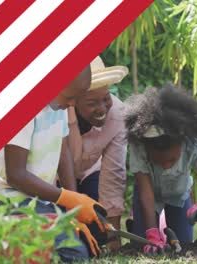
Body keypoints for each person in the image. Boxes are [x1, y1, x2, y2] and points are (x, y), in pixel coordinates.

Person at [0, 64, 107, 262]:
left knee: (90, 240)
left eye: (76, 98)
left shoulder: (59, 104)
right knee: (72, 253)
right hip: (4, 202)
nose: (72, 104)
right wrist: (68, 200)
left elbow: (63, 154)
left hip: (38, 202)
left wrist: (75, 210)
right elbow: (15, 175)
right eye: (69, 97)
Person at [125, 85, 197, 255]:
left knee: (182, 245)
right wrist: (151, 235)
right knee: (142, 244)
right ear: (147, 150)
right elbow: (146, 195)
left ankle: (159, 225)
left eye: (172, 160)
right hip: (148, 199)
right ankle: (147, 224)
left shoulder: (191, 146)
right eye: (158, 161)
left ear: (182, 144)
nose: (166, 165)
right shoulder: (139, 147)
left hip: (179, 198)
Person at [66, 56, 128, 252]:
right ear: (74, 101)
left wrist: (113, 235)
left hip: (90, 173)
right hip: (55, 180)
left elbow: (113, 174)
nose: (102, 108)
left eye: (106, 98)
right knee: (68, 236)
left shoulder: (117, 115)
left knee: (98, 229)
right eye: (92, 102)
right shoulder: (59, 110)